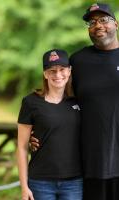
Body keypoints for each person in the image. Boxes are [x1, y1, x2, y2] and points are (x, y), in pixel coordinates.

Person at [31, 3, 119, 200]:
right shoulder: (79, 61)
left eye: (104, 19)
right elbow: (60, 102)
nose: (98, 25)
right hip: (90, 167)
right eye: (92, 22)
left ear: (116, 24)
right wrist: (37, 130)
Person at [17, 49, 83, 200]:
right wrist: (24, 186)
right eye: (52, 71)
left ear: (69, 71)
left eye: (62, 70)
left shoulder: (79, 100)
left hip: (74, 182)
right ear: (45, 74)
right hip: (40, 182)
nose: (58, 75)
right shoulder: (31, 102)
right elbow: (21, 147)